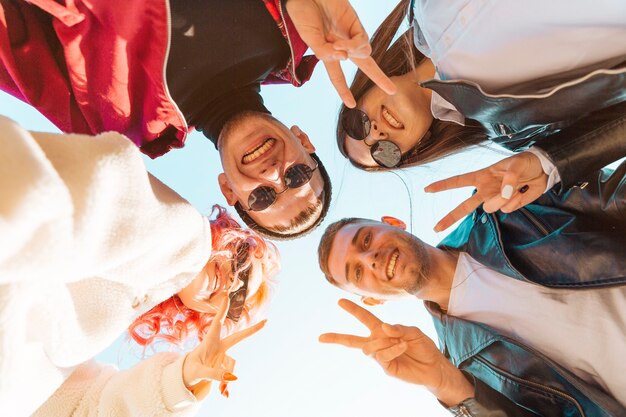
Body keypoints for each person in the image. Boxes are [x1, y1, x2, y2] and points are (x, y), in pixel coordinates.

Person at [0, 0, 399, 239]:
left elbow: (11, 45)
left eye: (262, 197)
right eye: (296, 176)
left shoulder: (119, 124)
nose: (274, 176)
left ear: (229, 191)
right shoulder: (294, 34)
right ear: (304, 141)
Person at [0, 116, 280, 417]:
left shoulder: (132, 297)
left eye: (237, 301)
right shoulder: (182, 236)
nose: (231, 285)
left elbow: (81, 407)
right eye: (240, 262)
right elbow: (77, 187)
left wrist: (183, 379)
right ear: (225, 237)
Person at [315, 161, 626, 416]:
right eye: (356, 272)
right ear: (372, 300)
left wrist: (550, 161)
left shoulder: (505, 209)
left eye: (366, 240)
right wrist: (447, 384)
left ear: (394, 222)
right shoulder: (459, 369)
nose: (370, 258)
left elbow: (614, 195)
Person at [335, 0, 626, 230]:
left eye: (357, 124)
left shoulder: (423, 9)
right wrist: (550, 161)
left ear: (361, 90)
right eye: (383, 153)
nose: (376, 133)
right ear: (415, 149)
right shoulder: (515, 131)